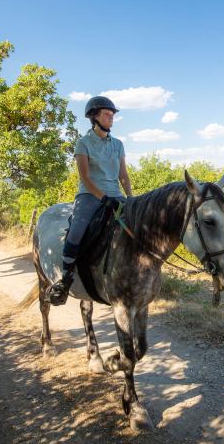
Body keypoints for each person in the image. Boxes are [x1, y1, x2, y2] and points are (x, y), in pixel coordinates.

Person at [47, 96, 132, 306]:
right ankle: (65, 280)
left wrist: (130, 198)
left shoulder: (118, 144)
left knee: (138, 226)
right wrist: (102, 198)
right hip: (90, 195)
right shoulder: (83, 143)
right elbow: (84, 176)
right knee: (76, 231)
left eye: (112, 115)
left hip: (115, 195)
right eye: (107, 114)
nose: (111, 118)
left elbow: (123, 176)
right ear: (94, 117)